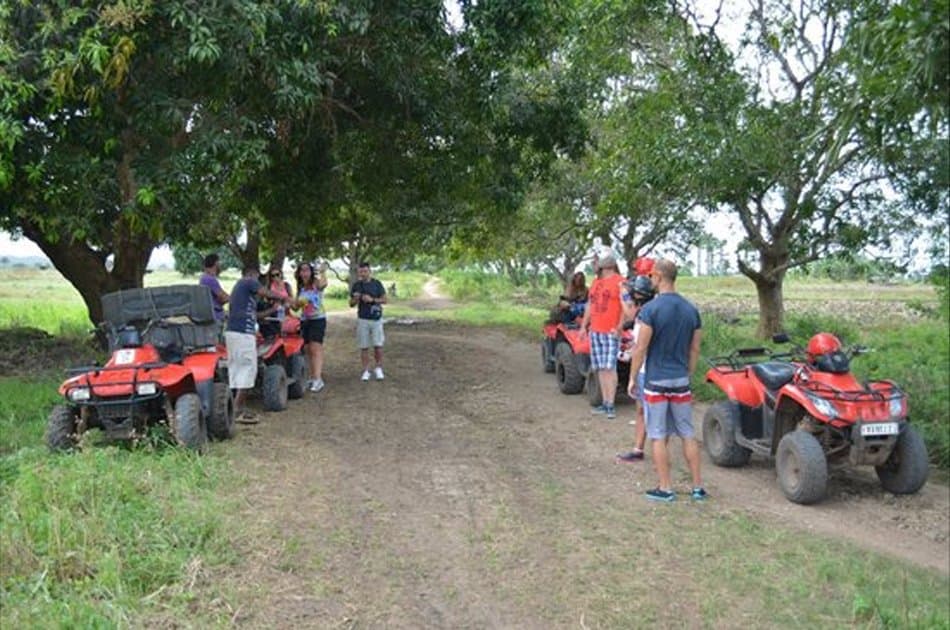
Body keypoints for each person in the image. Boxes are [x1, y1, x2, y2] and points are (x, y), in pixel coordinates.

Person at [627, 259, 705, 502]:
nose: (650, 280)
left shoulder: (651, 310)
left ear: (659, 277)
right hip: (680, 379)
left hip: (656, 381)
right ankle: (697, 487)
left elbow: (640, 348)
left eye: (651, 276)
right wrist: (688, 373)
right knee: (687, 433)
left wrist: (632, 378)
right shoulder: (691, 310)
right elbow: (694, 349)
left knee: (658, 435)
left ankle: (665, 488)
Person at [226, 263, 290, 423]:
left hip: (234, 332)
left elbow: (256, 316)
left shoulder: (242, 294)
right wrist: (284, 297)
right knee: (248, 370)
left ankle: (236, 407)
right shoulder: (248, 281)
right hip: (242, 334)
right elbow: (265, 292)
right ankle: (237, 410)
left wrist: (273, 309)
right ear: (253, 275)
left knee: (238, 370)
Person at [580, 253, 627, 419]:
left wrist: (620, 326)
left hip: (610, 330)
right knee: (600, 367)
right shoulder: (596, 282)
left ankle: (610, 404)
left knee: (610, 367)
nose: (597, 261)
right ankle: (605, 402)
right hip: (596, 330)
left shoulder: (621, 281)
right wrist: (584, 326)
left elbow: (626, 306)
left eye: (600, 259)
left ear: (611, 263)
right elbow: (590, 305)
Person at [616, 275, 655, 463]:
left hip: (649, 370)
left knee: (651, 413)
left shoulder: (647, 313)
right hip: (645, 369)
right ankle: (638, 449)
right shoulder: (644, 312)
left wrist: (621, 294)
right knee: (641, 410)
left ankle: (659, 455)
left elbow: (642, 346)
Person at [349, 262, 387, 382]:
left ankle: (378, 368)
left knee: (378, 345)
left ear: (370, 271)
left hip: (376, 318)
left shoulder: (377, 284)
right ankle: (366, 370)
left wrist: (372, 300)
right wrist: (355, 299)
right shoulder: (356, 285)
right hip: (362, 318)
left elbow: (385, 300)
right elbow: (351, 304)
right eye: (361, 272)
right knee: (364, 346)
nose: (363, 274)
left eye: (365, 271)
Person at [295, 261, 329, 392]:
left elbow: (324, 283)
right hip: (305, 320)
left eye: (307, 270)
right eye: (302, 271)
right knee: (307, 349)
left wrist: (323, 271)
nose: (304, 273)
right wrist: (294, 302)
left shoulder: (316, 284)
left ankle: (318, 379)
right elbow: (296, 307)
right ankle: (312, 376)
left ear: (311, 272)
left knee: (316, 348)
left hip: (318, 319)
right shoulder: (301, 288)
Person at [199, 253, 229, 330]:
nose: (221, 265)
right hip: (215, 317)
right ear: (216, 263)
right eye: (220, 263)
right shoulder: (210, 279)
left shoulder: (205, 277)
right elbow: (224, 298)